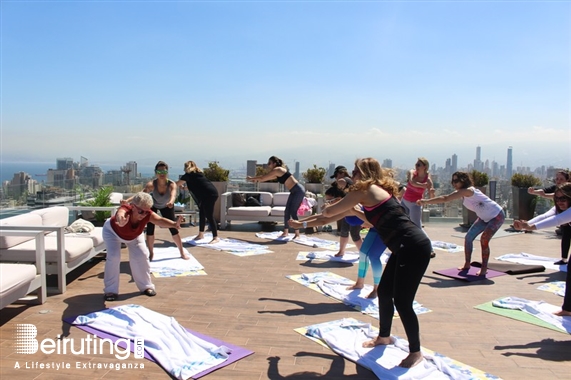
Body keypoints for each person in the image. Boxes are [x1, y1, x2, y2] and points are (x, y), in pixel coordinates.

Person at [321, 158, 432, 368]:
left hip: (413, 247)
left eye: (355, 170)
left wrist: (328, 207)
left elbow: (329, 213)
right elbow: (369, 219)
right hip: (403, 247)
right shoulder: (373, 190)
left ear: (363, 173)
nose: (351, 174)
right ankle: (384, 337)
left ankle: (415, 352)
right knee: (384, 292)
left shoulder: (363, 191)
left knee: (403, 302)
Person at [290, 186, 386, 299]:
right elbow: (321, 217)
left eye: (330, 201)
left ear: (339, 199)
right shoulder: (346, 209)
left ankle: (377, 288)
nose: (328, 203)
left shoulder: (352, 208)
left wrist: (301, 225)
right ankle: (359, 283)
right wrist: (299, 222)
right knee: (363, 253)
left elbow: (325, 220)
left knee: (374, 256)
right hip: (374, 228)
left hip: (385, 227)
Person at [418, 171, 505, 276]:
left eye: (457, 181)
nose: (454, 183)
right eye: (453, 181)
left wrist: (425, 201)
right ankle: (467, 264)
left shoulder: (467, 191)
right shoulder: (462, 193)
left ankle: (484, 268)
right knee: (468, 237)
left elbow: (446, 198)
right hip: (484, 218)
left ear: (463, 181)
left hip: (497, 216)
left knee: (484, 239)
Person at [103, 192, 183, 301]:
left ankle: (146, 286)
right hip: (112, 232)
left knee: (142, 255)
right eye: (141, 211)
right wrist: (120, 220)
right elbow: (120, 214)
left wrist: (174, 224)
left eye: (146, 212)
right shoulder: (126, 209)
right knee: (114, 257)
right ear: (133, 206)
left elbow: (159, 220)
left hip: (134, 235)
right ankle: (110, 291)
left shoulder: (147, 214)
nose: (143, 215)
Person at [514, 182, 571, 317]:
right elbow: (546, 216)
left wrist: (529, 227)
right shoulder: (559, 208)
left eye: (564, 198)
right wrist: (527, 224)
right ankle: (568, 309)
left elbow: (557, 220)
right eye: (557, 199)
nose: (560, 202)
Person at [124, 161, 186, 261]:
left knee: (174, 228)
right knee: (150, 228)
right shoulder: (151, 184)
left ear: (167, 172)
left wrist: (170, 202)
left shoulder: (171, 184)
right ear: (155, 172)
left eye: (164, 171)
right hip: (153, 205)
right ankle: (151, 253)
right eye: (159, 171)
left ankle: (182, 252)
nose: (162, 173)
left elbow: (173, 194)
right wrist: (127, 201)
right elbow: (140, 195)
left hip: (167, 205)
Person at [247, 156, 305, 239]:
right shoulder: (277, 171)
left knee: (293, 211)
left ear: (274, 163)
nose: (268, 165)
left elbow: (263, 177)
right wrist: (255, 179)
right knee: (287, 211)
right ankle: (285, 232)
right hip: (293, 191)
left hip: (298, 190)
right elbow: (265, 178)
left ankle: (297, 233)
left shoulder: (278, 170)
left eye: (269, 163)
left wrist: (251, 178)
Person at [175, 160, 220, 244]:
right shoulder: (198, 174)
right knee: (202, 213)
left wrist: (164, 184)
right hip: (210, 193)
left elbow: (175, 184)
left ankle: (215, 237)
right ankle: (201, 234)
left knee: (209, 215)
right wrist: (185, 188)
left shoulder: (188, 175)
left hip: (209, 195)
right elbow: (198, 186)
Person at [400, 157, 436, 258]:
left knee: (418, 227)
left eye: (419, 165)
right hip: (404, 201)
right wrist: (423, 186)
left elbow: (432, 197)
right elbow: (411, 182)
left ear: (424, 167)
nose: (416, 166)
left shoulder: (428, 180)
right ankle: (404, 246)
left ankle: (430, 249)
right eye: (416, 164)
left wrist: (431, 192)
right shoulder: (412, 172)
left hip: (415, 204)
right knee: (402, 224)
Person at [329, 169, 363, 257]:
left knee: (355, 234)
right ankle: (341, 251)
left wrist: (336, 183)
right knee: (344, 231)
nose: (337, 178)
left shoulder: (346, 180)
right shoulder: (346, 186)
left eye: (337, 175)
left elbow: (341, 181)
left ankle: (363, 254)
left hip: (355, 211)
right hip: (347, 211)